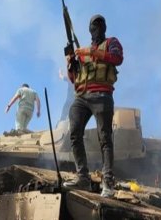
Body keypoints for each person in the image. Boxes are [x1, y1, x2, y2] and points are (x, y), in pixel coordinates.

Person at [63, 14, 123, 198]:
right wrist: (70, 64)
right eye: (94, 25)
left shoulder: (111, 42)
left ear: (104, 27)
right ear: (90, 29)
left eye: (100, 24)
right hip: (81, 97)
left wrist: (90, 53)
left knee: (105, 137)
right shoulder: (83, 53)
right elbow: (75, 79)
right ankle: (83, 177)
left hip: (102, 95)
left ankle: (108, 181)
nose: (97, 28)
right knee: (74, 133)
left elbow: (116, 58)